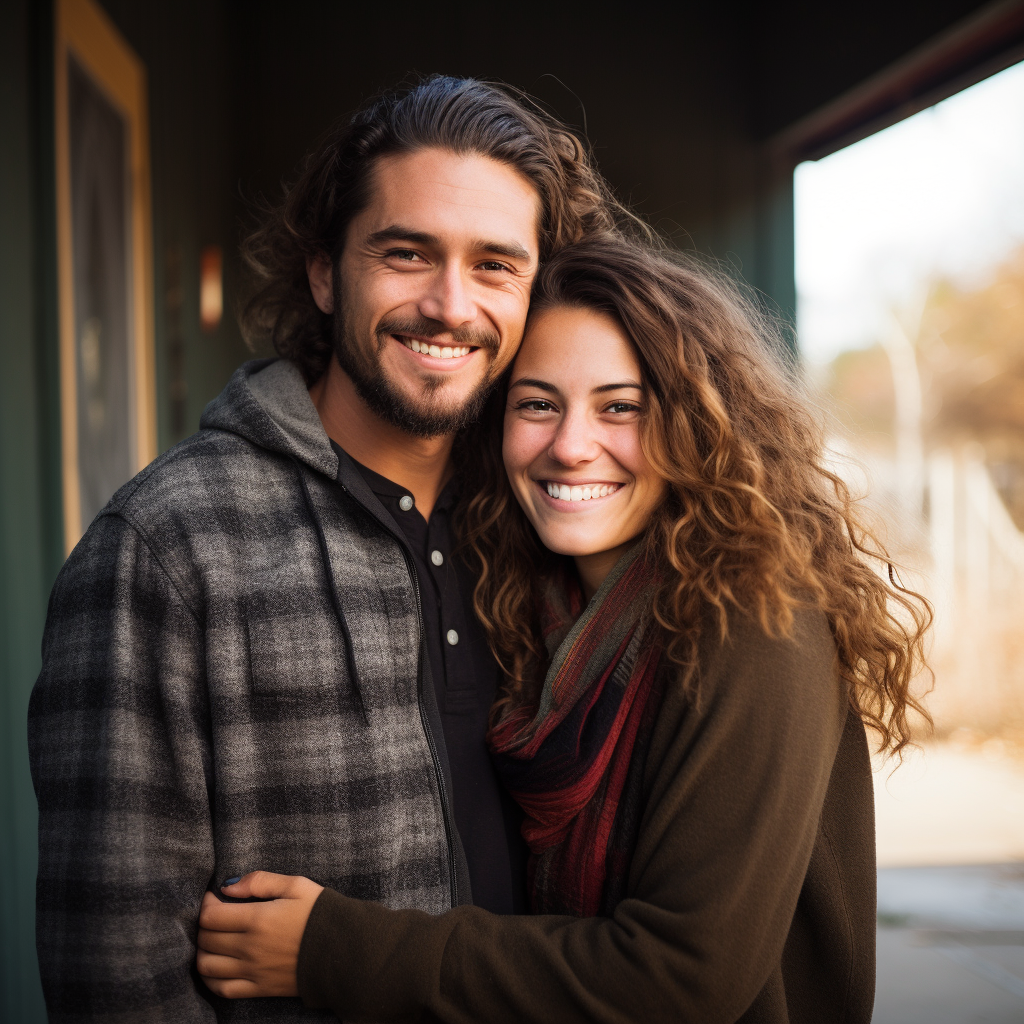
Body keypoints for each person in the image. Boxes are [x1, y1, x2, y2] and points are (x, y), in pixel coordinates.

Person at [195, 236, 931, 1023]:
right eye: (538, 404)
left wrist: (334, 950)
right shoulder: (532, 613)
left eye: (621, 408)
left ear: (697, 427)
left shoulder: (757, 625)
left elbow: (682, 977)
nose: (572, 447)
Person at [28, 76, 630, 1022]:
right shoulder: (168, 548)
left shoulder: (543, 523)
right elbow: (114, 971)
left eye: (495, 266)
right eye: (406, 253)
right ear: (322, 271)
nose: (448, 305)